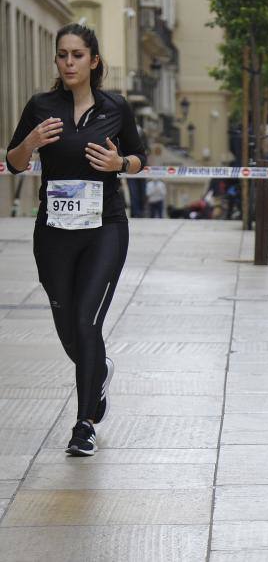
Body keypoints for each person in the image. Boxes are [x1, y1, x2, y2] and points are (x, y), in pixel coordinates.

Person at [5, 23, 147, 456]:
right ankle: (97, 370)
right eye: (62, 55)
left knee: (87, 320)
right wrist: (29, 142)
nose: (69, 62)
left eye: (77, 55)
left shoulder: (115, 107)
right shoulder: (40, 106)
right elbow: (13, 164)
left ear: (94, 60)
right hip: (53, 234)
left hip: (104, 228)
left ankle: (84, 422)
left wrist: (119, 161)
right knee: (68, 326)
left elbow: (141, 158)